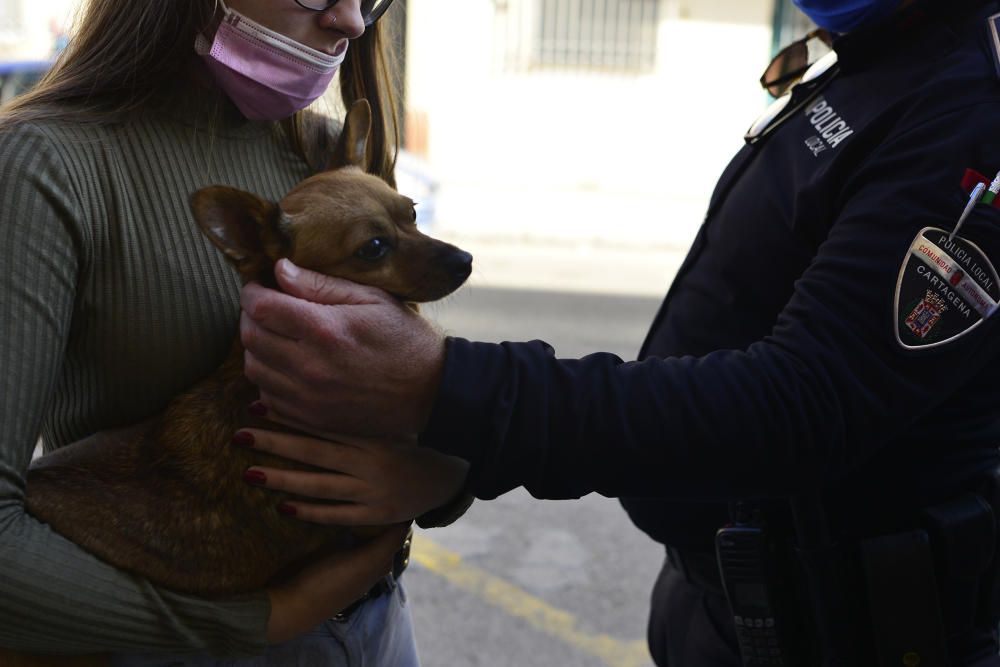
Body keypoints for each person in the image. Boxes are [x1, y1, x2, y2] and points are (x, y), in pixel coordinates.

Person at [238, 0, 1000, 664]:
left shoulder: (969, 103)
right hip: (728, 601)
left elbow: (803, 405)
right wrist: (459, 452)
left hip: (855, 627)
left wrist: (444, 389)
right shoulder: (883, 56)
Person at [0, 0, 455, 663]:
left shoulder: (323, 158)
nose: (351, 22)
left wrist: (439, 478)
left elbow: (408, 381)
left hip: (377, 631)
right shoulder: (44, 164)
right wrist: (260, 620)